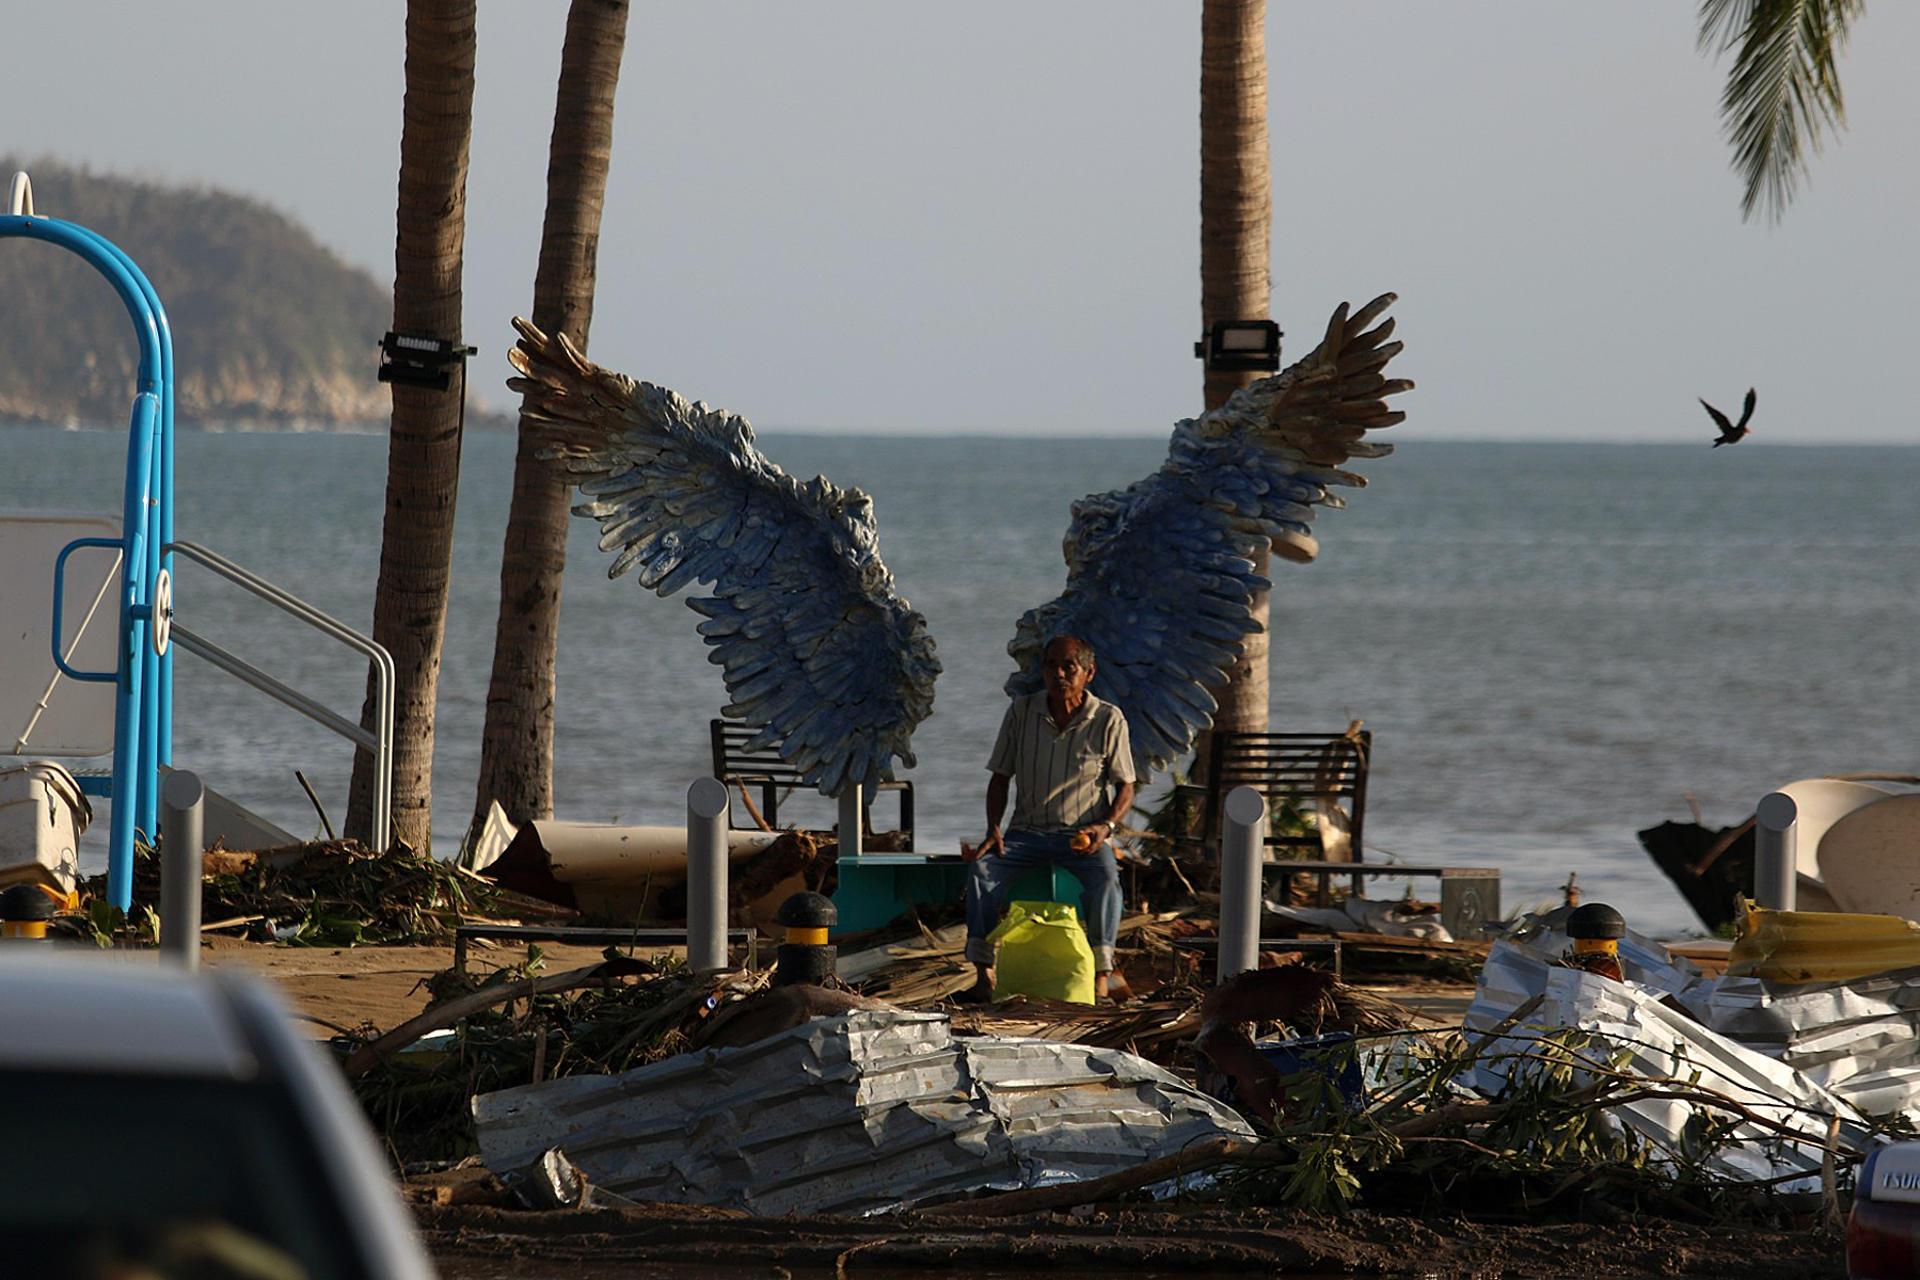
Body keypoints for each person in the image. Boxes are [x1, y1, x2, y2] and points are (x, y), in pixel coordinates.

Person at [961, 634, 1136, 1002]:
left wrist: (1104, 829)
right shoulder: (1022, 712)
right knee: (981, 874)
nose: (1058, 674)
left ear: (1089, 673)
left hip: (1083, 837)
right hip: (1025, 834)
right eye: (1050, 666)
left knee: (1106, 881)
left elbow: (1125, 787)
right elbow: (1000, 777)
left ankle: (1100, 977)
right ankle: (983, 974)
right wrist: (994, 827)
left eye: (1068, 667)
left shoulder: (1108, 719)